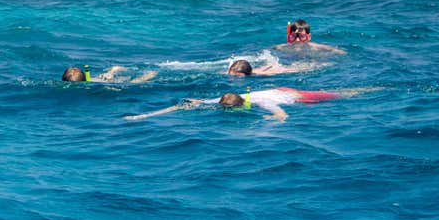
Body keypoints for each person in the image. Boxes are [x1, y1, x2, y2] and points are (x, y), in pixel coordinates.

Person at [124, 86, 378, 122]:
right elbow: (185, 105)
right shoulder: (222, 100)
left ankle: (373, 89)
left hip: (297, 96)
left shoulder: (262, 103)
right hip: (280, 90)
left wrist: (270, 120)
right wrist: (144, 116)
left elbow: (283, 116)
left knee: (344, 95)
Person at [275, 19, 345, 54]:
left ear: (309, 37)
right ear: (289, 36)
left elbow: (333, 49)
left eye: (301, 36)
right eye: (293, 36)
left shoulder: (315, 47)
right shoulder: (280, 47)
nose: (297, 40)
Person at [61, 65, 157, 84]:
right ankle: (113, 70)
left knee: (132, 83)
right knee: (105, 76)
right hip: (93, 80)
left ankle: (148, 75)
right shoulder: (87, 79)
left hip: (103, 82)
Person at [227, 58, 323, 77]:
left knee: (304, 68)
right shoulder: (250, 72)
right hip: (268, 68)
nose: (232, 76)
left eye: (236, 75)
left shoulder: (260, 74)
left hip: (280, 70)